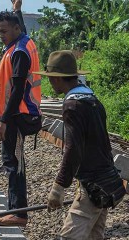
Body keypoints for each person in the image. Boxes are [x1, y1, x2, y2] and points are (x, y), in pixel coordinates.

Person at [33, 50, 126, 239]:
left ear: (58, 79)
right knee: (94, 235)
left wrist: (59, 187)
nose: (50, 82)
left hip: (93, 185)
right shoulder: (93, 101)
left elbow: (73, 149)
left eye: (51, 78)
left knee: (69, 236)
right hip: (107, 180)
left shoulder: (72, 107)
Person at [0, 0, 42, 227]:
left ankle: (19, 213)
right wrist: (17, 10)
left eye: (3, 31)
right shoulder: (24, 40)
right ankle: (14, 209)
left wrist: (3, 121)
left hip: (18, 115)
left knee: (14, 164)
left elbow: (18, 90)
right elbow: (22, 27)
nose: (0, 35)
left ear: (15, 29)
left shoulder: (19, 51)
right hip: (20, 114)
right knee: (12, 162)